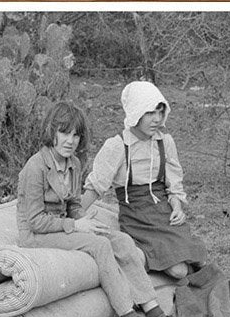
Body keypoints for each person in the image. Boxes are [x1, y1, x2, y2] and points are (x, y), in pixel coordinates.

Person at [15, 101, 194, 317]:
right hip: (37, 234)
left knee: (119, 240)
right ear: (51, 132)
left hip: (63, 225)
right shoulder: (35, 167)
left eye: (76, 135)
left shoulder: (74, 163)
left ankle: (156, 316)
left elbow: (73, 204)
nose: (70, 141)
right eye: (64, 133)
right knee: (99, 246)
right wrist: (76, 225)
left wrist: (86, 221)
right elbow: (35, 221)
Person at [82, 80, 209, 281]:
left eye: (160, 112)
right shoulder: (117, 146)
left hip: (163, 214)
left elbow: (174, 184)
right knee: (179, 271)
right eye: (150, 113)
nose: (156, 119)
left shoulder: (164, 142)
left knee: (200, 261)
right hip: (136, 217)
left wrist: (177, 207)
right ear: (136, 113)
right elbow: (96, 186)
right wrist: (74, 218)